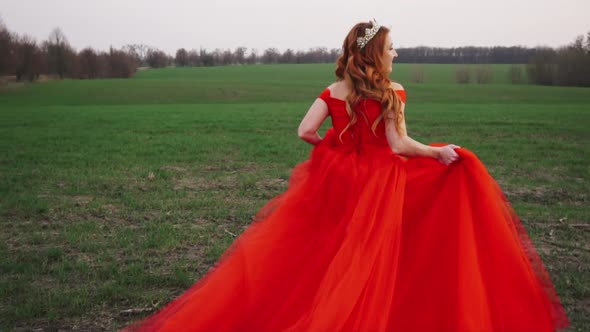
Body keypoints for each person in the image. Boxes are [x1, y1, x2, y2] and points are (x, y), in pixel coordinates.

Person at [121, 20, 570, 332]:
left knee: (332, 252)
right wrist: (439, 153)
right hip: (382, 183)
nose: (397, 53)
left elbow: (305, 131)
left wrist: (337, 152)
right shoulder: (392, 91)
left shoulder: (334, 90)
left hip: (342, 178)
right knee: (382, 249)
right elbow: (398, 146)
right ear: (376, 52)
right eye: (392, 47)